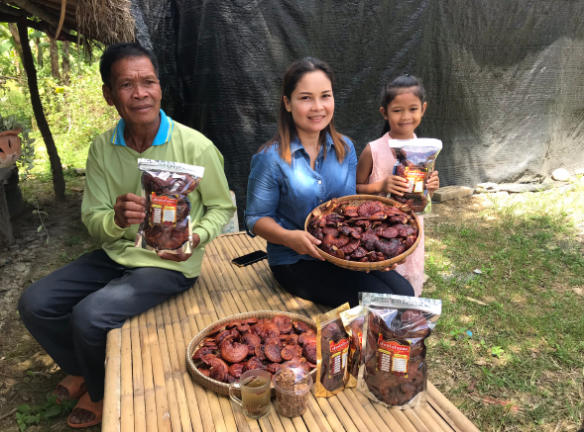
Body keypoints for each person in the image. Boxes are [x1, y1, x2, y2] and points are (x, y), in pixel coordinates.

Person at [17, 43, 235, 428]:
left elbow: (221, 207)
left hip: (170, 263)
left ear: (159, 88)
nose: (140, 93)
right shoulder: (103, 148)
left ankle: (101, 394)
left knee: (89, 316)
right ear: (108, 94)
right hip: (118, 252)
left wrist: (195, 238)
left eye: (148, 81)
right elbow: (93, 217)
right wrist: (117, 220)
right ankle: (82, 367)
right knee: (35, 302)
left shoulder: (194, 146)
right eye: (127, 84)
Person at [244, 57, 414, 308]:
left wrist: (376, 251)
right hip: (296, 261)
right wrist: (290, 237)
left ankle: (391, 344)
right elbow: (255, 219)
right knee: (382, 303)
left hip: (341, 253)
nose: (317, 107)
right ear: (287, 104)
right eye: (305, 98)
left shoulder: (345, 148)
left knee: (405, 293)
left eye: (325, 95)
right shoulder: (270, 159)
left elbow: (348, 211)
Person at [356, 75, 440, 295]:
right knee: (383, 287)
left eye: (412, 109)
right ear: (385, 112)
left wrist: (430, 187)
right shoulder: (373, 150)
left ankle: (404, 322)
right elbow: (356, 189)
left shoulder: (425, 152)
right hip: (378, 232)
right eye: (397, 110)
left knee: (408, 285)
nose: (405, 117)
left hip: (410, 230)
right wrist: (381, 185)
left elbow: (421, 196)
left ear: (423, 109)